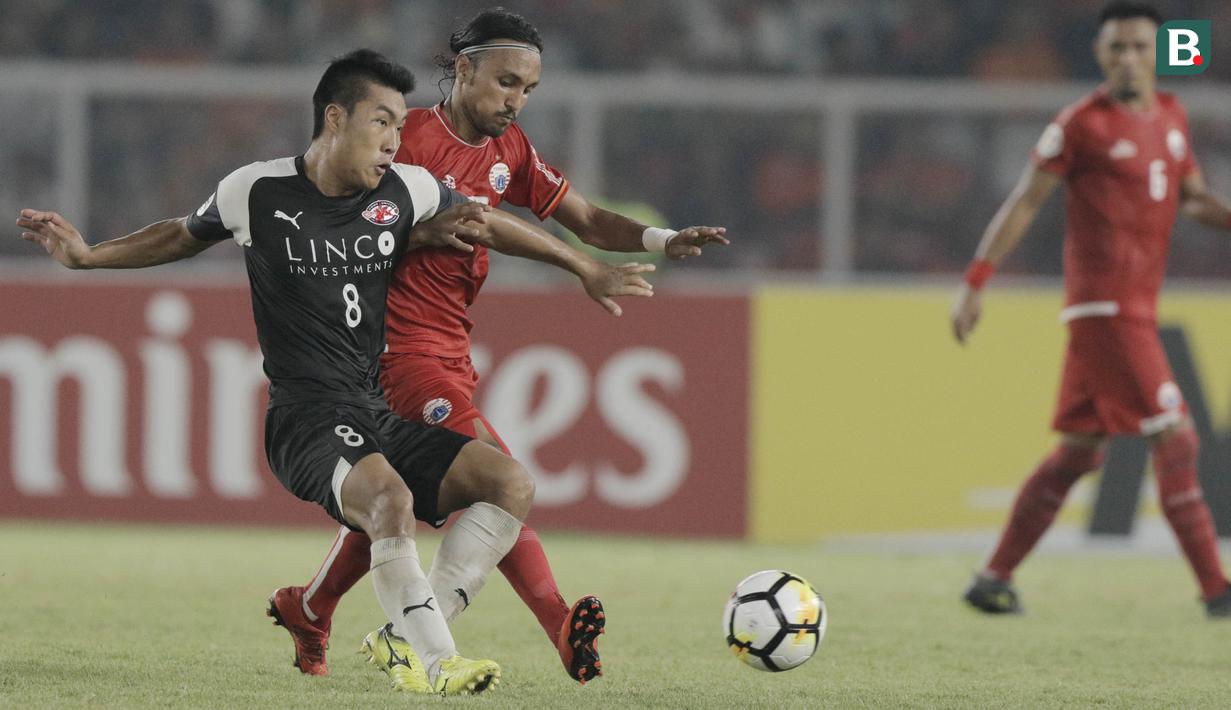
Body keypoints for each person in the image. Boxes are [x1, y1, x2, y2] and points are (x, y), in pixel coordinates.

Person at [16, 49, 652, 695]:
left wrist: (582, 265)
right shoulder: (257, 190)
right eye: (381, 122)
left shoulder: (405, 190)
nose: (394, 141)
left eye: (399, 125)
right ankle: (435, 662)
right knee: (390, 501)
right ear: (335, 118)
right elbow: (181, 234)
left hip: (373, 410)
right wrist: (89, 257)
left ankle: (362, 623)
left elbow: (486, 222)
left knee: (509, 482)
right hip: (305, 418)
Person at [266, 7, 729, 688]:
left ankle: (310, 608)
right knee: (500, 480)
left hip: (451, 348)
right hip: (395, 353)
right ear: (464, 69)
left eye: (528, 89)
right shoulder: (404, 138)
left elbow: (584, 217)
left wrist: (661, 239)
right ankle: (541, 623)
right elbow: (347, 224)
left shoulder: (510, 150)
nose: (516, 101)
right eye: (506, 82)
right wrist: (424, 237)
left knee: (402, 497)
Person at [951, 1, 1231, 618]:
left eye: (1139, 47)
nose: (1127, 58)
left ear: (1160, 53)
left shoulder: (1173, 117)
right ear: (1100, 54)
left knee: (1079, 452)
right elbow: (1025, 201)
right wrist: (976, 280)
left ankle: (992, 578)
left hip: (1134, 308)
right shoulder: (1081, 123)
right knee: (1177, 438)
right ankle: (1218, 591)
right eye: (1115, 48)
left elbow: (1192, 199)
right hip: (1104, 307)